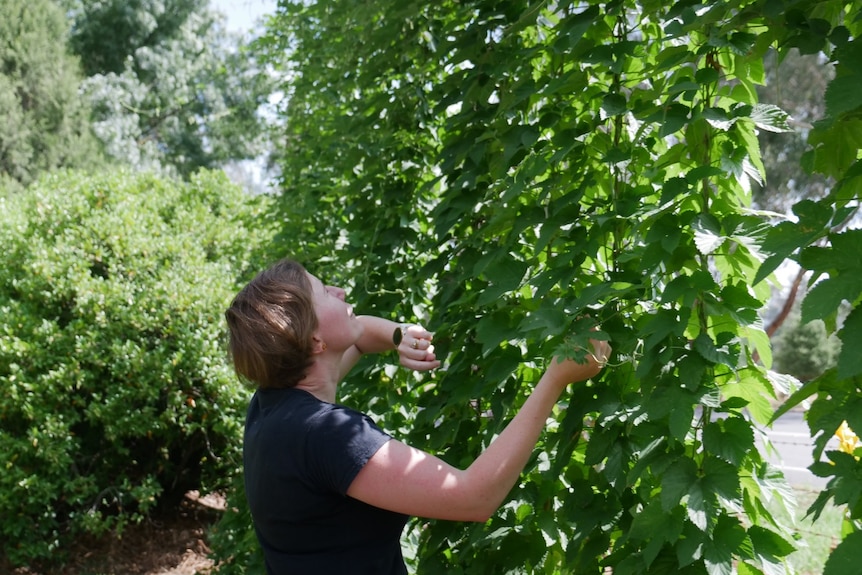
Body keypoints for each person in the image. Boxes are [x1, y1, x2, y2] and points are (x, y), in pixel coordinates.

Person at [225, 258, 611, 575]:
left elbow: (359, 336)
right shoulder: (327, 435)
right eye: (324, 292)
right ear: (314, 341)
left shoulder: (271, 407)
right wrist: (556, 378)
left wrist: (400, 336)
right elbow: (473, 497)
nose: (339, 291)